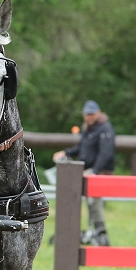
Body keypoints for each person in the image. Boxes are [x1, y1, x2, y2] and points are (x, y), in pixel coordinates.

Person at [53, 99, 116, 245]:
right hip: (85, 170)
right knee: (73, 196)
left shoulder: (105, 129)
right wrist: (66, 152)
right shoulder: (88, 128)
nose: (89, 117)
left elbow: (105, 153)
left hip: (99, 171)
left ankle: (101, 232)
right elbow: (81, 148)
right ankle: (70, 229)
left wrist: (94, 171)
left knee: (95, 201)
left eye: (92, 114)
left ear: (98, 112)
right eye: (87, 114)